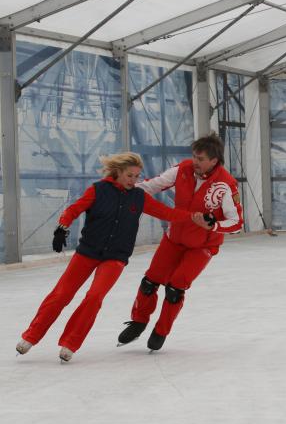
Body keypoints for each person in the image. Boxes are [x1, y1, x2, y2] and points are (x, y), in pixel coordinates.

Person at [16, 152, 206, 362]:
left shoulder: (139, 197)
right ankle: (31, 337)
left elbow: (167, 213)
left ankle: (70, 343)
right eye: (130, 176)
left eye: (137, 176)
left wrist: (194, 218)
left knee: (95, 297)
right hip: (88, 252)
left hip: (115, 257)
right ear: (118, 172)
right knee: (61, 294)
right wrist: (62, 227)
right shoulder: (99, 190)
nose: (134, 181)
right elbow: (74, 209)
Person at [117, 132, 244, 351]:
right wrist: (124, 187)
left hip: (202, 246)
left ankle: (161, 331)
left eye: (201, 159)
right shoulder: (182, 169)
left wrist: (213, 225)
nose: (195, 161)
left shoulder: (226, 184)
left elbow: (237, 222)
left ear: (214, 161)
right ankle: (138, 321)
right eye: (194, 156)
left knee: (175, 287)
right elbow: (152, 185)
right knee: (150, 282)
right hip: (174, 239)